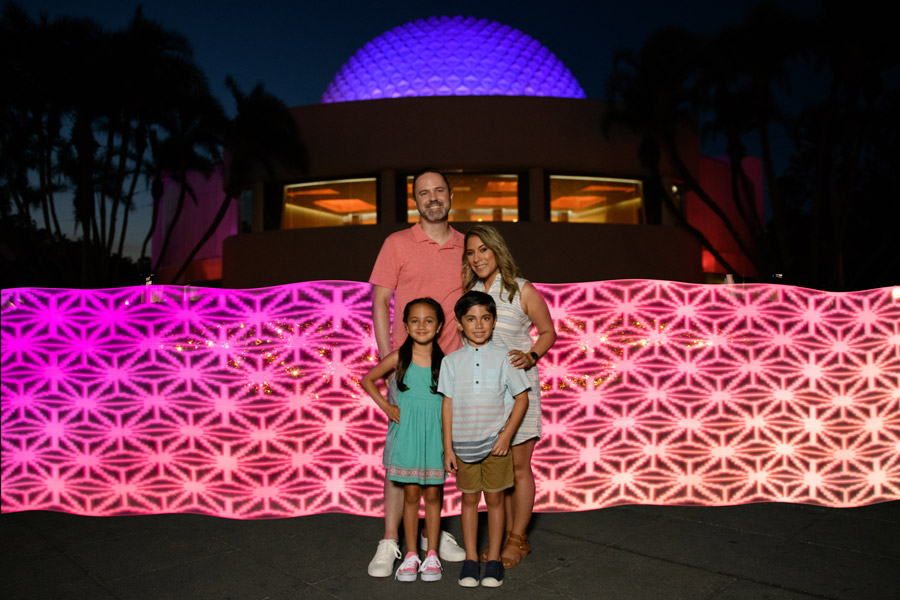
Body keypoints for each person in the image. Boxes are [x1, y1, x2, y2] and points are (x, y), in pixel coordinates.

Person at [367, 169, 466, 576]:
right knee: (402, 456)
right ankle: (391, 540)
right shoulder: (397, 243)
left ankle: (431, 532)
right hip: (408, 368)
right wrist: (389, 359)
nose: (432, 198)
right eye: (424, 193)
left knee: (441, 451)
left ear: (450, 195)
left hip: (453, 368)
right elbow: (379, 303)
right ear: (415, 200)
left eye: (439, 190)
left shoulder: (466, 244)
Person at [463, 224, 557, 569]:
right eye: (471, 252)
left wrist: (532, 355)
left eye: (483, 250)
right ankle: (499, 538)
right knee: (493, 468)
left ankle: (518, 539)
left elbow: (548, 331)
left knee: (518, 466)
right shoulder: (469, 291)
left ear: (496, 250)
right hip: (482, 395)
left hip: (518, 389)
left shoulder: (522, 290)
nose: (477, 258)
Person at [439, 291, 530, 588]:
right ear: (460, 324)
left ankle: (492, 561)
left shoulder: (505, 358)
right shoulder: (451, 362)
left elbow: (521, 399)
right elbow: (448, 404)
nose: (479, 325)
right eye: (471, 319)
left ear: (493, 322)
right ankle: (469, 559)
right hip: (464, 446)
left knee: (495, 500)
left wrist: (506, 436)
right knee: (468, 500)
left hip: (495, 445)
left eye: (485, 318)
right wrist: (448, 448)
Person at [361, 298, 447, 582]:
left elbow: (451, 404)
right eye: (415, 321)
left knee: (434, 495)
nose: (421, 326)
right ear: (406, 326)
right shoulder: (398, 358)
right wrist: (386, 407)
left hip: (434, 438)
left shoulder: (446, 363)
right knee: (411, 496)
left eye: (429, 320)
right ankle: (411, 554)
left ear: (439, 326)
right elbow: (367, 379)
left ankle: (431, 553)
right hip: (408, 438)